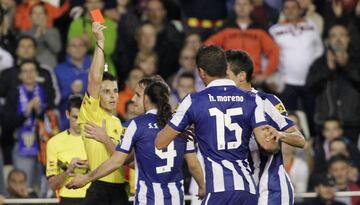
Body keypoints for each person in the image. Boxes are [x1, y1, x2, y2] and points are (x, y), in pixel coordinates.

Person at [155, 45, 280, 204]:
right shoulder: (252, 99)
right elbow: (267, 144)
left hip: (218, 191)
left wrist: (180, 131)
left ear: (201, 72)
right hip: (247, 189)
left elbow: (160, 142)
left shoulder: (193, 101)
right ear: (224, 68)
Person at [67, 81, 206, 204]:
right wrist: (202, 186)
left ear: (146, 99)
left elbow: (116, 161)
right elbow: (193, 164)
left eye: (138, 96)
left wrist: (86, 178)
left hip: (148, 199)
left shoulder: (137, 125)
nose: (134, 99)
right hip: (176, 198)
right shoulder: (180, 125)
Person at [225, 50, 305, 205]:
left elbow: (301, 140)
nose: (221, 81)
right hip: (241, 189)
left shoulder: (267, 102)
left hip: (271, 188)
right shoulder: (220, 106)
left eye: (225, 75)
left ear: (241, 76)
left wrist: (280, 135)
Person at [74, 22, 128, 205]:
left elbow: (123, 159)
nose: (113, 96)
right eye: (106, 91)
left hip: (120, 187)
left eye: (115, 91)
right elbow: (95, 79)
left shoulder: (118, 123)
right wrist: (100, 43)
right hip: (99, 187)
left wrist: (106, 139)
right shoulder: (91, 112)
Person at [269, 0, 323, 135]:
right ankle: (289, 149)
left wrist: (315, 73)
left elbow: (319, 50)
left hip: (309, 81)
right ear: (283, 11)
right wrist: (271, 79)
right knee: (287, 120)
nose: (290, 10)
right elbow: (268, 56)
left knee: (312, 119)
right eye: (287, 8)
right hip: (286, 83)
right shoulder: (274, 30)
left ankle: (313, 149)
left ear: (300, 10)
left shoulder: (311, 26)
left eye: (294, 7)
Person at [205, 0, 280, 87]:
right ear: (234, 7)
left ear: (251, 7)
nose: (242, 7)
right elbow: (208, 46)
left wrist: (265, 75)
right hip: (229, 78)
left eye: (245, 4)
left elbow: (274, 51)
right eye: (238, 4)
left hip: (252, 79)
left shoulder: (260, 28)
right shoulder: (226, 27)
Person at [306, 24, 360, 142]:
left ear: (348, 39)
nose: (338, 39)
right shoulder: (319, 63)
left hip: (352, 123)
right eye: (334, 36)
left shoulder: (357, 61)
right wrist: (328, 69)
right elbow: (310, 88)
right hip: (325, 125)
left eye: (342, 35)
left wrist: (346, 65)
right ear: (328, 41)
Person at [46, 96, 90, 205]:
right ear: (67, 114)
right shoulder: (54, 142)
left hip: (95, 196)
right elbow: (52, 185)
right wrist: (68, 171)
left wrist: (90, 165)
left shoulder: (97, 138)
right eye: (75, 117)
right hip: (67, 199)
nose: (80, 122)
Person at [68, 0, 118, 76]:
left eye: (97, 2)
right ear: (85, 4)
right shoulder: (77, 24)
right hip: (80, 69)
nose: (94, 5)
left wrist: (90, 43)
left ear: (102, 4)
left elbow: (108, 49)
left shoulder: (110, 24)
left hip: (104, 69)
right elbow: (71, 48)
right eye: (90, 2)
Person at [55, 37, 91, 130]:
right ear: (68, 49)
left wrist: (84, 90)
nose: (78, 48)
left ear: (86, 48)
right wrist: (70, 90)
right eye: (74, 46)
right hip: (66, 119)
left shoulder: (95, 66)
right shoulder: (59, 69)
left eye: (81, 45)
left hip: (92, 116)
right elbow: (55, 96)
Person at [24, 3, 61, 68]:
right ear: (30, 17)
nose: (38, 16)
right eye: (35, 13)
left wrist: (45, 32)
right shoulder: (25, 33)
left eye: (41, 13)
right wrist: (36, 36)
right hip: (30, 67)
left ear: (46, 16)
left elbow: (56, 49)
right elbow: (26, 51)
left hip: (49, 66)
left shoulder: (53, 31)